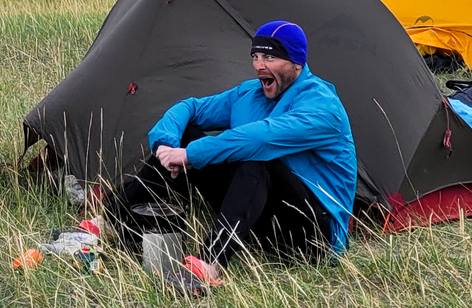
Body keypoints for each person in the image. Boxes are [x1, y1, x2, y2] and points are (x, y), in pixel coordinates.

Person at [118, 20, 356, 281]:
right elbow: (190, 108)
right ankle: (110, 222)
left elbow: (261, 138)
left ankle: (209, 264)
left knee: (256, 157)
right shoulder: (250, 93)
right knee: (184, 136)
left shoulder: (322, 106)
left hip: (313, 236)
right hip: (260, 220)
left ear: (296, 62)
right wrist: (165, 144)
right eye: (255, 56)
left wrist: (189, 156)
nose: (259, 65)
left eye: (270, 57)